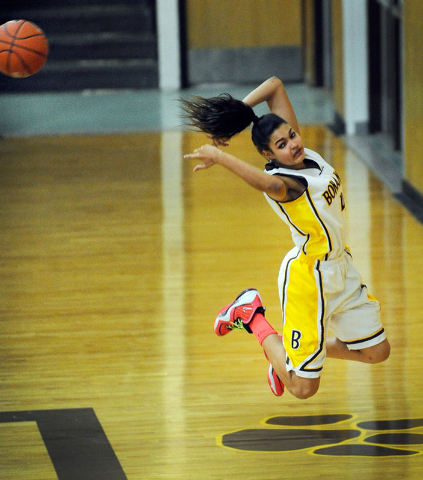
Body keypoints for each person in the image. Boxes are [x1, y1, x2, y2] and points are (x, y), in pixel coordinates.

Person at [181, 76, 390, 400]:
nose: (293, 143)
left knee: (378, 351)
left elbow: (275, 85)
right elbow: (262, 182)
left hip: (340, 268)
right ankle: (251, 316)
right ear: (269, 153)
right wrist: (221, 157)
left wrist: (236, 116)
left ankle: (287, 359)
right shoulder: (285, 184)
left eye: (291, 135)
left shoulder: (301, 154)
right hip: (309, 279)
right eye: (282, 144)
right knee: (303, 388)